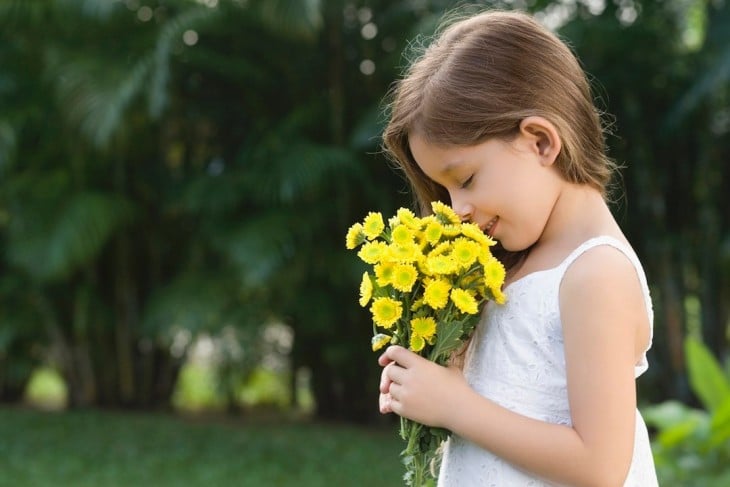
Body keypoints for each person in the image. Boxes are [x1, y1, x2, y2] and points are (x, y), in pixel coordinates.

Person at [377, 9, 658, 487]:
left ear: (541, 142)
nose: (455, 209)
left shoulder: (596, 274)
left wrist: (455, 405)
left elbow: (600, 466)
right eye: (444, 192)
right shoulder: (510, 263)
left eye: (464, 180)